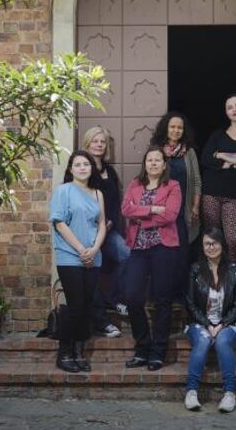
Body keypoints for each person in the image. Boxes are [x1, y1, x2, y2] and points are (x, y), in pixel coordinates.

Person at [121, 146, 182, 371]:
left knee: (162, 300)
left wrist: (142, 214)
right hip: (138, 248)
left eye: (158, 160)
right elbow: (126, 209)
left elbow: (170, 215)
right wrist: (153, 208)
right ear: (145, 164)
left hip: (163, 248)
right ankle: (142, 348)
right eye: (150, 160)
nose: (153, 163)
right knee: (132, 297)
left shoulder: (173, 186)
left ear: (164, 165)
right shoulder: (135, 184)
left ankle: (157, 352)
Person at [49, 150, 106, 372]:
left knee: (87, 305)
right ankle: (64, 352)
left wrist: (94, 250)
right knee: (75, 305)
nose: (82, 168)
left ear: (92, 168)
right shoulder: (63, 191)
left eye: (86, 164)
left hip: (93, 256)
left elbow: (101, 224)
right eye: (78, 164)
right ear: (71, 169)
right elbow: (59, 223)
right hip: (70, 255)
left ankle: (79, 353)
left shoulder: (98, 194)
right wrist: (82, 249)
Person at [184, 227, 236, 413]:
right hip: (199, 323)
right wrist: (207, 324)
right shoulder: (195, 270)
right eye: (206, 244)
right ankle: (191, 392)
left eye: (214, 243)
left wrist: (222, 324)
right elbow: (190, 303)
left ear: (222, 245)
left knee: (222, 342)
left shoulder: (234, 270)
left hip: (228, 324)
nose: (210, 247)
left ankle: (229, 393)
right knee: (202, 340)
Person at [201, 93, 236, 263]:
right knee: (212, 239)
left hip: (235, 196)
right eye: (230, 107)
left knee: (233, 240)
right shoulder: (218, 135)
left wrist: (220, 155)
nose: (234, 110)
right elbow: (206, 158)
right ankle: (214, 278)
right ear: (226, 112)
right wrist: (230, 162)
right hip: (211, 192)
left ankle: (232, 278)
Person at [151, 112, 201, 297]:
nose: (176, 130)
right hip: (161, 211)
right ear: (166, 128)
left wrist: (195, 206)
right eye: (172, 126)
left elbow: (196, 181)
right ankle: (161, 295)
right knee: (161, 253)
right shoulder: (156, 151)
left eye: (179, 127)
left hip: (182, 211)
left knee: (182, 254)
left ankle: (181, 296)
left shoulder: (189, 153)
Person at [83, 125, 130, 323]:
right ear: (87, 143)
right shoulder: (81, 168)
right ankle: (95, 310)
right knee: (92, 268)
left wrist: (109, 221)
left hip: (109, 229)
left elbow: (114, 200)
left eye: (102, 141)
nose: (99, 145)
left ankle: (113, 298)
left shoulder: (109, 170)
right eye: (95, 141)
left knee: (127, 255)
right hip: (86, 231)